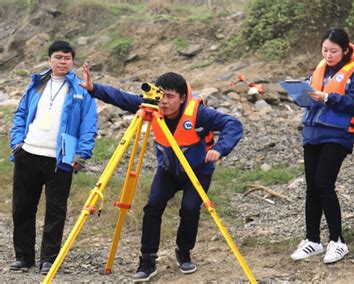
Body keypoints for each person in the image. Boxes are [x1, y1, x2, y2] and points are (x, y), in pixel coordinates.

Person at [80, 64, 243, 282]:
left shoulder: (199, 113)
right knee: (153, 206)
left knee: (190, 209)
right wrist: (94, 89)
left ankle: (183, 252)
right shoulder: (152, 106)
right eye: (161, 95)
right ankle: (147, 260)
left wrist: (219, 149)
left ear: (182, 98)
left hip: (197, 171)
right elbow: (121, 98)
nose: (163, 101)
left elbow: (233, 124)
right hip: (168, 170)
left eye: (170, 96)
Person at [9, 40, 98, 275]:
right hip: (28, 153)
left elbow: (89, 125)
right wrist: (17, 143)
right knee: (22, 208)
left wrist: (82, 153)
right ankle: (23, 257)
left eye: (67, 58)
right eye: (58, 57)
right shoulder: (36, 84)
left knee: (56, 211)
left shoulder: (80, 90)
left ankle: (49, 259)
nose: (63, 61)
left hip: (61, 158)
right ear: (50, 60)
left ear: (73, 62)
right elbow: (20, 114)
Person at [290, 28, 354, 264]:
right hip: (312, 134)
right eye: (325, 50)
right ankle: (313, 240)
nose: (328, 55)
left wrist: (326, 97)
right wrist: (298, 94)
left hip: (337, 135)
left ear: (345, 50)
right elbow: (307, 96)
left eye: (334, 51)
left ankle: (338, 241)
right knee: (311, 187)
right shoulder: (319, 69)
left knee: (324, 183)